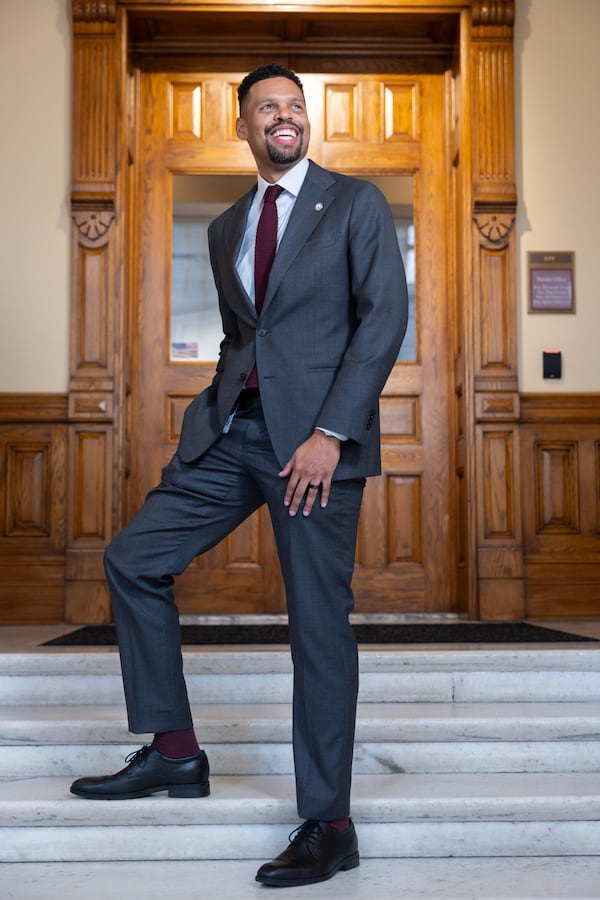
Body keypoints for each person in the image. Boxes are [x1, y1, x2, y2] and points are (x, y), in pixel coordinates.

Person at [70, 63, 408, 888]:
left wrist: (331, 432)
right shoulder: (228, 226)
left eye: (296, 106)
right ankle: (176, 751)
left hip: (314, 452)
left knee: (317, 628)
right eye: (269, 108)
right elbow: (241, 339)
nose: (286, 117)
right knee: (133, 558)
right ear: (246, 126)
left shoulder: (353, 203)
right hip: (234, 437)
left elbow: (383, 320)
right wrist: (207, 423)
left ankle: (330, 823)